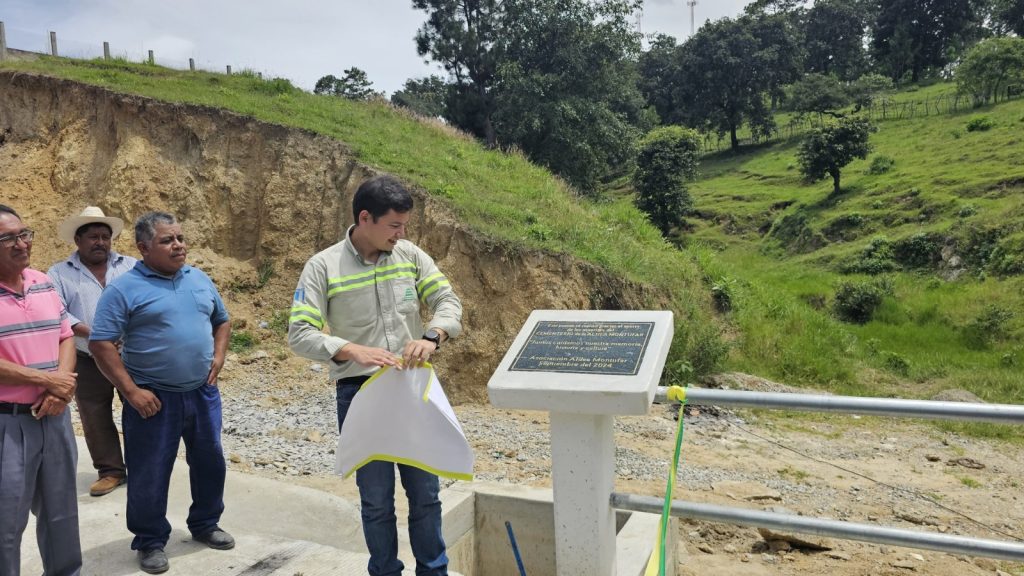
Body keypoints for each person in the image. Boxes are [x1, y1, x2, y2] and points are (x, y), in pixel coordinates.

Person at [289, 175, 463, 576]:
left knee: (426, 494)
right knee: (377, 501)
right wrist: (350, 349)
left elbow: (447, 300)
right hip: (359, 394)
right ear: (365, 218)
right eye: (394, 225)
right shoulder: (323, 266)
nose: (401, 234)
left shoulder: (410, 256)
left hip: (412, 388)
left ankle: (433, 571)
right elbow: (299, 333)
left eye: (404, 226)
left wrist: (433, 336)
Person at [89, 211, 233, 575]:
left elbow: (222, 320)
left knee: (210, 462)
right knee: (149, 471)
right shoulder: (123, 289)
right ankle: (150, 540)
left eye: (180, 238)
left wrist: (218, 356)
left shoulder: (198, 278)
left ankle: (206, 523)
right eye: (167, 240)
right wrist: (131, 391)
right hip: (153, 399)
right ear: (143, 248)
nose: (178, 245)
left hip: (202, 393)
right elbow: (101, 343)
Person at [0, 204, 82, 576]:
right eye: (8, 239)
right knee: (6, 522)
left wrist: (60, 389)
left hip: (55, 417)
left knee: (61, 513)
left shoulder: (43, 281)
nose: (22, 244)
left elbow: (66, 336)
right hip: (9, 425)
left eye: (24, 234)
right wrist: (48, 381)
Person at [48, 206, 137, 497]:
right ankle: (111, 471)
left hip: (130, 356)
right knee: (94, 415)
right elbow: (59, 312)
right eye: (93, 237)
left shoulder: (131, 266)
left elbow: (146, 301)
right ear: (78, 240)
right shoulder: (59, 273)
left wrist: (127, 333)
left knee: (138, 407)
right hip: (87, 357)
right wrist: (97, 335)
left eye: (105, 237)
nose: (100, 242)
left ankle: (143, 466)